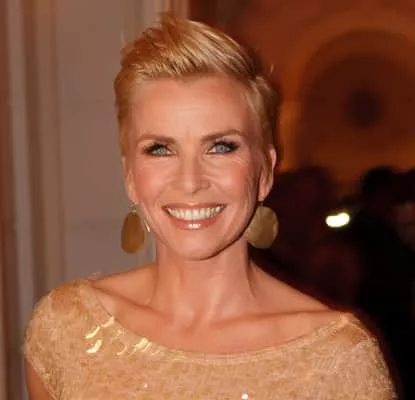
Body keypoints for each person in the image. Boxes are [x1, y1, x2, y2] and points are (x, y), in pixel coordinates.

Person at [24, 14, 397, 399]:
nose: (190, 181)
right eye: (160, 149)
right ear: (130, 175)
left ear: (265, 171)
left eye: (220, 147)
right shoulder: (66, 330)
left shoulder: (337, 361)